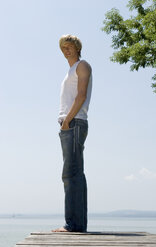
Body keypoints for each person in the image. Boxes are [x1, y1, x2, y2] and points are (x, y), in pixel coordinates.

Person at [52, 34, 92, 232]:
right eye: (63, 48)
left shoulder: (82, 65)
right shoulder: (70, 71)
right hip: (70, 123)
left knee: (71, 174)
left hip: (74, 123)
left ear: (77, 48)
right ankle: (78, 224)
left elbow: (81, 95)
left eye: (70, 46)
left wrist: (67, 120)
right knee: (75, 174)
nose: (66, 50)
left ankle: (73, 225)